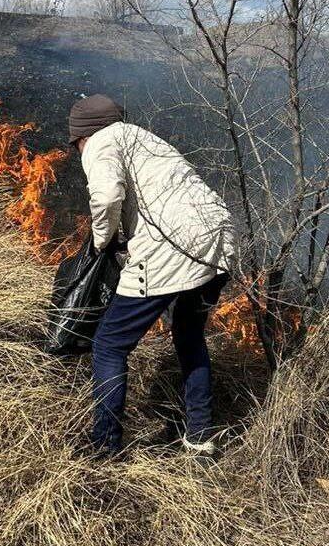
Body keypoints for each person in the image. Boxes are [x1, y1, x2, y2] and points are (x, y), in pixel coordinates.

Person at [69, 94, 236, 457]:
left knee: (109, 345)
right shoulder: (142, 138)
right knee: (190, 335)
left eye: (76, 144)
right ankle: (200, 436)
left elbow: (108, 196)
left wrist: (101, 242)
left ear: (82, 136)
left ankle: (105, 445)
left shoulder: (99, 142)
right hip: (219, 238)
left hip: (172, 246)